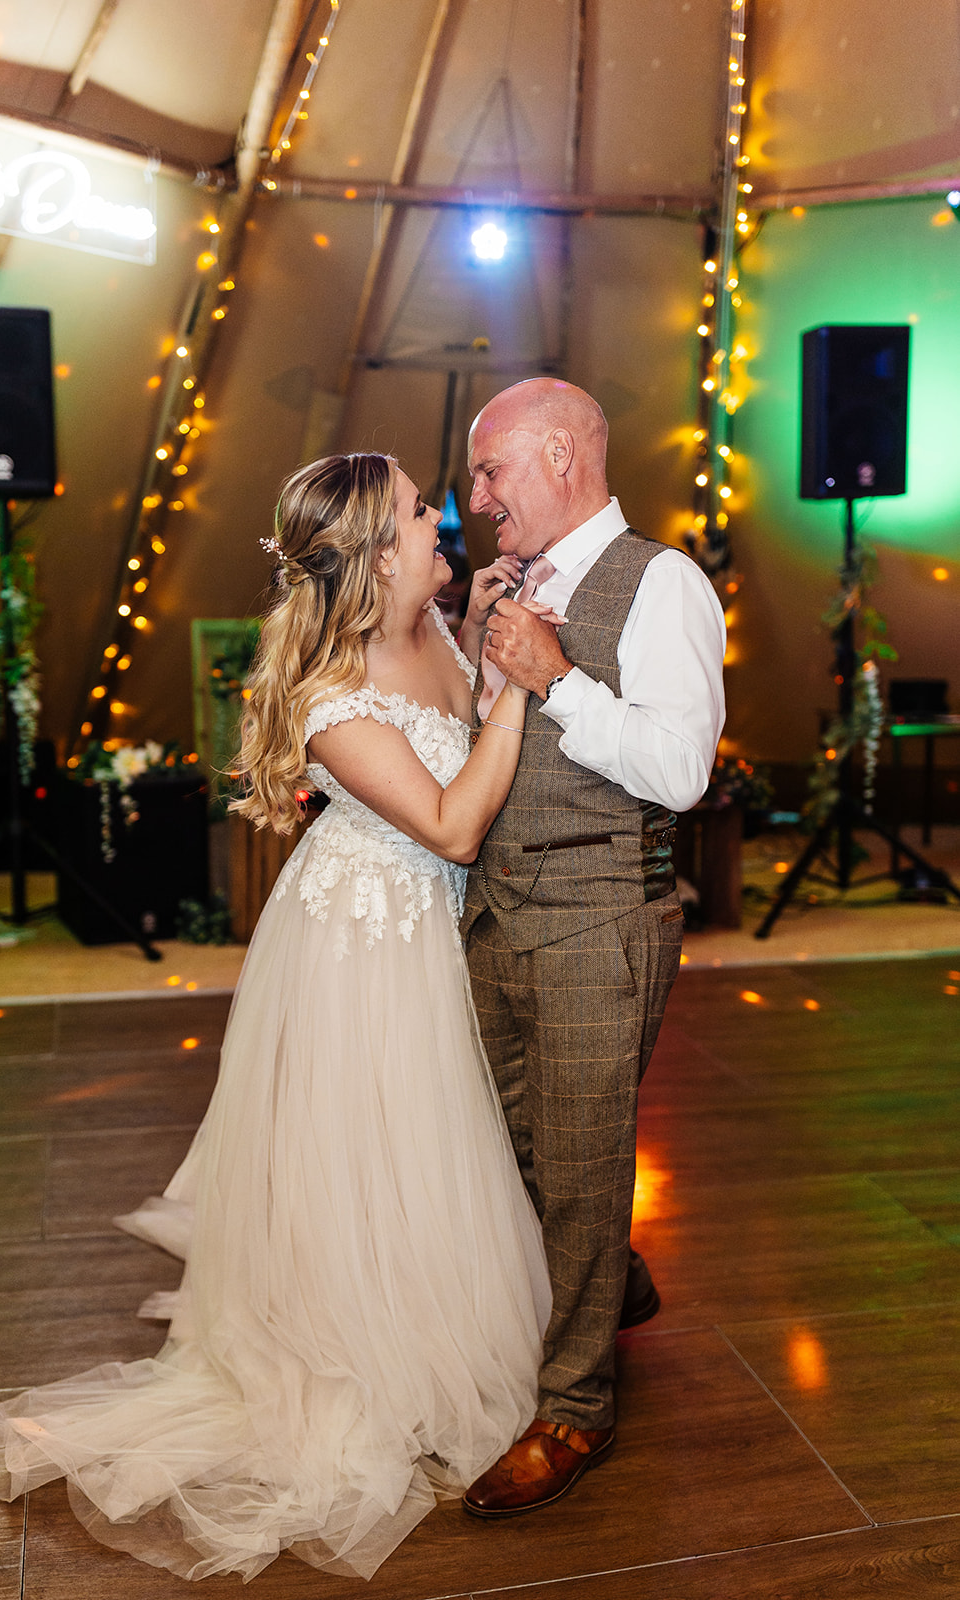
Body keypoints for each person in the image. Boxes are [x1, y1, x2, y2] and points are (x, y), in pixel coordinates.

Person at [0, 453, 557, 1583]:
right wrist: (524, 680)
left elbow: (467, 732)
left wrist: (483, 648)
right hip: (366, 945)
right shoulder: (328, 693)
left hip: (434, 931)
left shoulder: (433, 626)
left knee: (435, 1151)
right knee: (370, 1150)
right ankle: (364, 1368)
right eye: (422, 511)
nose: (444, 520)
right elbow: (453, 824)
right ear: (379, 550)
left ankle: (430, 1334)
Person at [456, 378, 727, 1518]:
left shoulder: (661, 583)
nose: (475, 501)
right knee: (500, 1138)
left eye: (489, 472)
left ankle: (573, 1406)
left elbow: (680, 772)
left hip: (598, 915)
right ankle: (608, 1276)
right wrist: (480, 654)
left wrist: (554, 679)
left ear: (561, 454)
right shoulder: (509, 588)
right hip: (495, 909)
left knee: (574, 1163)